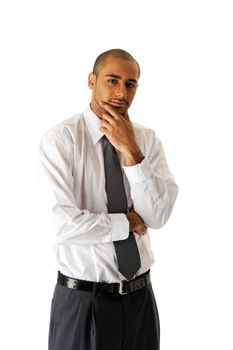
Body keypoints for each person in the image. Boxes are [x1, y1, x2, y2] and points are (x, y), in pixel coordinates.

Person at [39, 48, 178, 350]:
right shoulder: (61, 140)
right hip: (83, 303)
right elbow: (62, 225)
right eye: (112, 80)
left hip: (140, 300)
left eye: (130, 84)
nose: (121, 92)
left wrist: (131, 151)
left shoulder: (147, 141)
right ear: (92, 81)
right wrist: (127, 222)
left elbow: (158, 215)